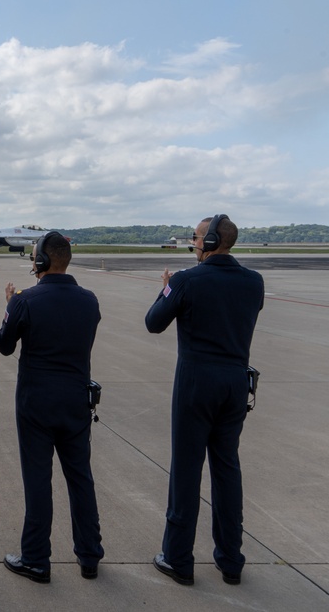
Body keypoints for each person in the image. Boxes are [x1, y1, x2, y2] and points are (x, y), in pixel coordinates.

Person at [146, 214, 264, 586]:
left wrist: (166, 289)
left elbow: (154, 322)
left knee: (185, 470)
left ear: (211, 241)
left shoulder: (186, 280)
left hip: (197, 383)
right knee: (226, 470)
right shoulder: (254, 282)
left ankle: (179, 559)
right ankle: (231, 559)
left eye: (197, 238)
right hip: (235, 382)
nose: (194, 243)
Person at [0, 231, 104, 584]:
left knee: (38, 480)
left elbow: (5, 346)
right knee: (80, 478)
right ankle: (89, 556)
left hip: (37, 403)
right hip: (75, 400)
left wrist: (10, 306)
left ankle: (36, 559)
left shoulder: (26, 301)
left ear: (40, 261)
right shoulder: (89, 300)